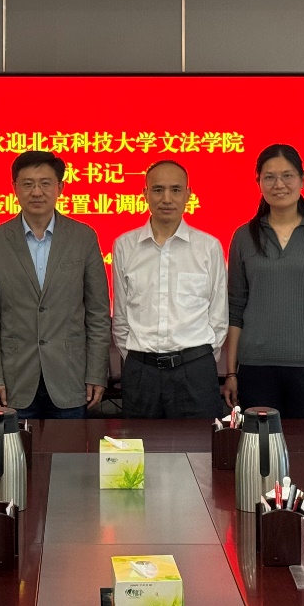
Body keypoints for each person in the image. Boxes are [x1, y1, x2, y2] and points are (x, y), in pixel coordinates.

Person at [0, 150, 110, 419]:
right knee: (16, 448)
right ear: (14, 188)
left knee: (70, 447)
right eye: (28, 184)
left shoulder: (83, 237)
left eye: (45, 183)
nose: (36, 192)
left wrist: (96, 373)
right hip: (13, 380)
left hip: (71, 376)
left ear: (60, 187)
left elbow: (98, 313)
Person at [223, 143, 304, 419]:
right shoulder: (244, 236)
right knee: (259, 444)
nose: (279, 184)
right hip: (256, 367)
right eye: (269, 177)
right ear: (258, 182)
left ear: (302, 179)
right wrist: (231, 373)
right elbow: (235, 308)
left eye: (287, 175)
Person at [112, 160, 227, 418]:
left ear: (188, 194)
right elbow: (120, 317)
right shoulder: (124, 246)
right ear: (145, 194)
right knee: (139, 442)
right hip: (141, 372)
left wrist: (197, 360)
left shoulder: (208, 247)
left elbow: (218, 318)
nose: (166, 198)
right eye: (158, 190)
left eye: (175, 190)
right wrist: (139, 360)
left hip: (195, 370)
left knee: (200, 443)